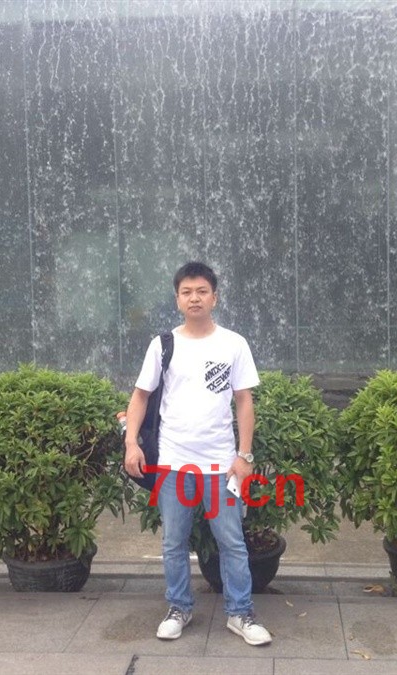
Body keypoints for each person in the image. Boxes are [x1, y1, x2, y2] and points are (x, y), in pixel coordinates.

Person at [124, 261, 272, 646]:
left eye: (202, 291)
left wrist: (244, 456)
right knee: (174, 542)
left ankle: (240, 613)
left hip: (221, 465)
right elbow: (140, 396)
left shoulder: (233, 344)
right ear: (177, 299)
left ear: (214, 297)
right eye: (187, 292)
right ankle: (179, 607)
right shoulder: (162, 345)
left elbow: (244, 401)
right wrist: (131, 443)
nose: (195, 298)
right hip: (173, 463)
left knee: (232, 542)